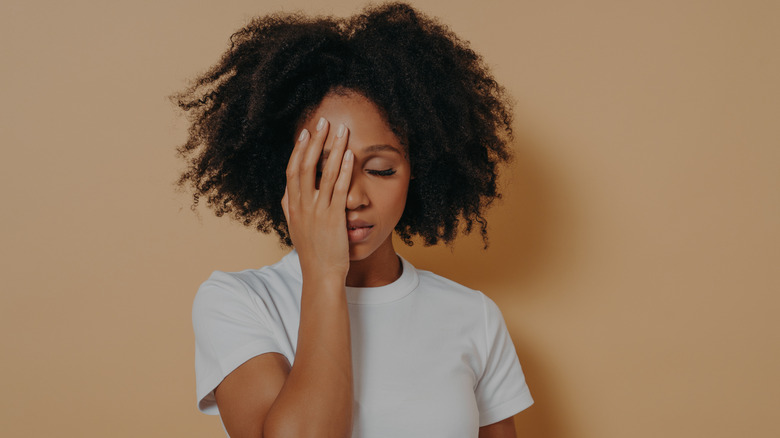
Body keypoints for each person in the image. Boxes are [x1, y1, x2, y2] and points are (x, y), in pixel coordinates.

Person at [174, 3, 533, 437]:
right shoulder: (239, 302)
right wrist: (325, 272)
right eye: (324, 171)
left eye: (380, 169)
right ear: (283, 168)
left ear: (417, 168)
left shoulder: (473, 316)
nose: (353, 197)